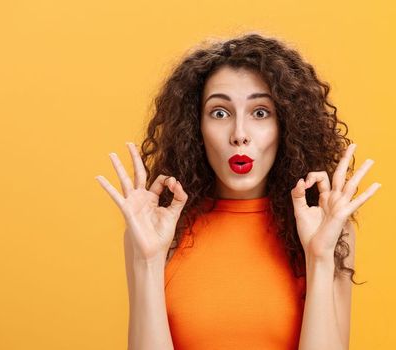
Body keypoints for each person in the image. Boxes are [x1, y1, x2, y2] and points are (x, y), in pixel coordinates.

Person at [95, 33, 380, 350]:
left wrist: (320, 259)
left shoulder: (327, 229)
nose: (239, 135)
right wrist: (148, 260)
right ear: (196, 127)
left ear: (285, 124)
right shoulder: (156, 230)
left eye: (260, 112)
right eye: (220, 113)